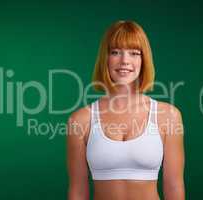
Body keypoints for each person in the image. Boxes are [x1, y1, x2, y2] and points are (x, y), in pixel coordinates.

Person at [67, 20, 185, 200]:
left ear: (143, 60)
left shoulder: (168, 115)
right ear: (105, 59)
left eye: (134, 53)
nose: (124, 61)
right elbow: (78, 191)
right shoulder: (80, 120)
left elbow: (174, 186)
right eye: (115, 52)